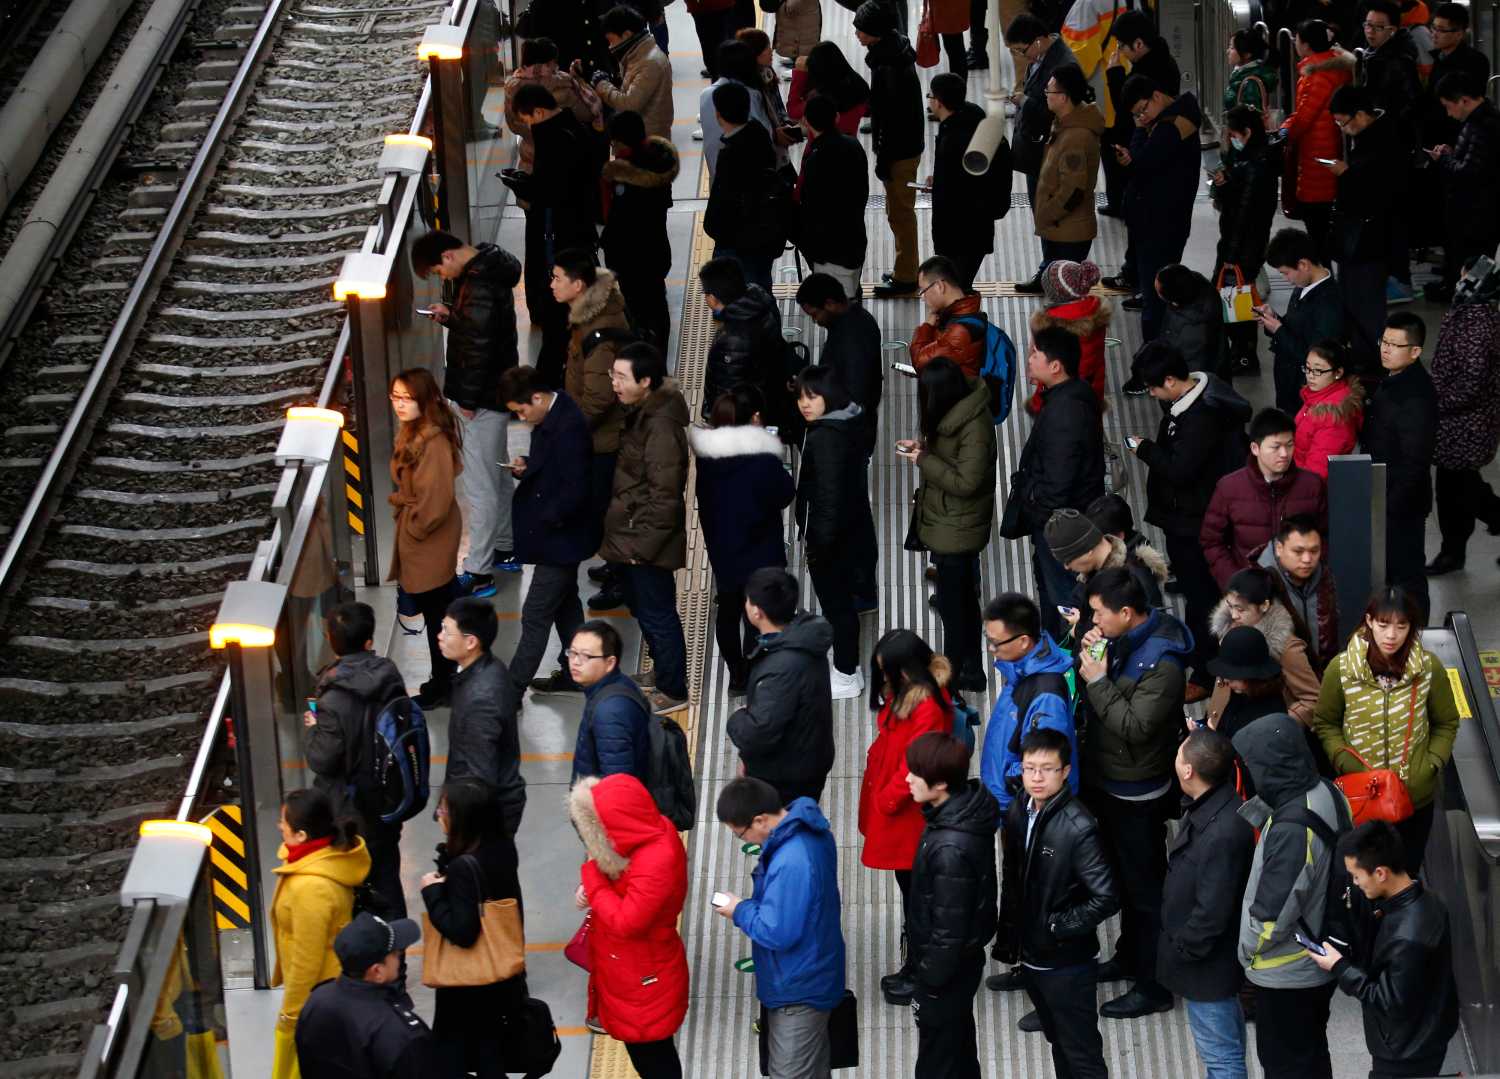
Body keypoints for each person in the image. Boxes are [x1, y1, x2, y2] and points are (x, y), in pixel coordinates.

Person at [1077, 567, 1193, 1018]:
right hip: (1109, 778)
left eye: (1098, 613)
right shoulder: (1121, 639)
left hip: (1137, 791)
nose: (1093, 621)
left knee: (1145, 890)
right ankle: (1129, 956)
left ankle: (1154, 984)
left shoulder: (1163, 662)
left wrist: (1098, 680)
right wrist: (1089, 654)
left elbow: (1135, 726)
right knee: (1124, 881)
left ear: (1126, 612)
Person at [1233, 713, 1355, 1079]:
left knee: (1286, 1064)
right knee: (1311, 1052)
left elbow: (1272, 917)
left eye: (1252, 765)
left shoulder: (1293, 832)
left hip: (1287, 972)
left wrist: (1246, 952)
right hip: (1320, 958)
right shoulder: (1327, 791)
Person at [996, 729, 1119, 1079]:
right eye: (1029, 768)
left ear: (1065, 772)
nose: (1037, 777)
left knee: (1081, 1053)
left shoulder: (1080, 827)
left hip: (1066, 963)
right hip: (1031, 954)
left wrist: (1058, 926)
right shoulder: (1021, 808)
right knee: (1058, 1042)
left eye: (1047, 769)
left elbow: (1106, 896)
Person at [1312, 587, 1461, 873]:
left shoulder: (1428, 669)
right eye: (1383, 625)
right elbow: (1326, 723)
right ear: (1369, 621)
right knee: (1362, 877)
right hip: (1362, 795)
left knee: (1405, 873)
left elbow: (1446, 721)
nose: (1391, 635)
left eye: (1401, 626)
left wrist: (1431, 764)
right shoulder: (1342, 669)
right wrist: (1344, 762)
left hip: (1414, 797)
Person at [1129, 340, 1251, 679]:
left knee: (1202, 595)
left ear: (1170, 380)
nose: (1151, 394)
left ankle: (1204, 670)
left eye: (1153, 387)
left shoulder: (1200, 418)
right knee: (1197, 587)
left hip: (1194, 518)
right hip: (1189, 515)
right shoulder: (1200, 392)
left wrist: (1145, 449)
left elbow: (1181, 470)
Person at [409, 234, 522, 596]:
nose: (442, 276)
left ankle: (479, 571)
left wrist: (468, 401)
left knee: (480, 486)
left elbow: (478, 350)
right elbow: (480, 330)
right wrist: (452, 318)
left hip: (482, 399)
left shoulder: (478, 285)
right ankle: (505, 547)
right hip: (496, 392)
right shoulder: (489, 268)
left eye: (438, 270)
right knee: (498, 475)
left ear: (447, 255)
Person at [714, 778, 847, 1078]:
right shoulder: (809, 833)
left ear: (760, 820)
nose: (743, 840)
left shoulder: (792, 860)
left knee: (790, 1073)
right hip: (810, 970)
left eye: (740, 834)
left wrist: (739, 909)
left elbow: (776, 931)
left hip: (799, 986)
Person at [1310, 822, 1460, 1078]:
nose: (1355, 883)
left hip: (1403, 1050)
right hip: (1426, 1035)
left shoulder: (1407, 936)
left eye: (1357, 876)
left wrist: (1339, 966)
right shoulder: (1430, 903)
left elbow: (1386, 1000)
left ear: (1380, 873)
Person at [858, 632, 957, 1004]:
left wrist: (886, 799)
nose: (884, 677)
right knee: (914, 891)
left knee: (920, 896)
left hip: (908, 815)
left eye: (888, 670)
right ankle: (917, 962)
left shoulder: (926, 706)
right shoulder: (914, 695)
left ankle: (920, 971)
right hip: (901, 808)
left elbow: (916, 763)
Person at [570, 773, 689, 1079]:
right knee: (652, 1054)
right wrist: (597, 879)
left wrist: (594, 882)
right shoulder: (651, 833)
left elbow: (627, 922)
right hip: (635, 970)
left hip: (642, 977)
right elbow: (622, 870)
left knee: (653, 1058)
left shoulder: (656, 860)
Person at [1159, 729, 1256, 1079]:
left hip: (1207, 968)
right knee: (1225, 1051)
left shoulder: (1222, 831)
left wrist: (1182, 950)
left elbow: (1212, 911)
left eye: (1180, 754)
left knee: (1222, 1059)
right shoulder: (1215, 807)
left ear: (1188, 771)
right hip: (1209, 964)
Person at [601, 343, 691, 715]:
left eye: (622, 377)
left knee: (658, 613)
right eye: (613, 375)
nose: (614, 384)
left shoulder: (661, 427)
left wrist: (644, 548)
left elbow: (665, 495)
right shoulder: (641, 413)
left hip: (645, 541)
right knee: (646, 609)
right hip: (632, 536)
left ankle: (673, 688)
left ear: (646, 382)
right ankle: (662, 672)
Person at [303, 602, 409, 918]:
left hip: (349, 808)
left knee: (351, 884)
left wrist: (313, 730)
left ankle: (365, 944)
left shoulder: (333, 696)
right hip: (387, 795)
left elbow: (323, 759)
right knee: (387, 876)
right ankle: (395, 945)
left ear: (332, 642)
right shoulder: (389, 675)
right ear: (369, 641)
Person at [904, 733, 999, 1077]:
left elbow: (949, 931)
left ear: (941, 784)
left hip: (946, 973)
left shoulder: (950, 848)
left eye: (916, 773)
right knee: (958, 1052)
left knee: (938, 1062)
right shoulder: (958, 818)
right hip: (959, 966)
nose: (908, 778)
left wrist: (928, 981)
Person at [899, 358, 997, 689]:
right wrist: (924, 449)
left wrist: (924, 459)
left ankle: (951, 680)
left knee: (954, 609)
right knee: (961, 602)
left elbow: (966, 482)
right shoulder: (961, 412)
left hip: (958, 528)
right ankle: (971, 671)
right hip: (950, 522)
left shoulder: (973, 426)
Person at [496, 365, 592, 702]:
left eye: (522, 411)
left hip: (560, 540)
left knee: (535, 615)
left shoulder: (568, 428)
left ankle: (510, 692)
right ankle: (577, 672)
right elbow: (553, 470)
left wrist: (545, 517)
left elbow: (575, 489)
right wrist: (528, 465)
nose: (522, 419)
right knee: (566, 606)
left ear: (537, 398)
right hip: (558, 538)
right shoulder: (552, 417)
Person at [418, 779, 526, 1077]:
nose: (439, 815)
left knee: (457, 1060)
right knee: (492, 1055)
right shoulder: (502, 848)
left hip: (467, 986)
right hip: (500, 973)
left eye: (444, 810)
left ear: (463, 818)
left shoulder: (464, 867)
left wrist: (432, 892)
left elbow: (462, 932)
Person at [1002, 327, 1105, 640]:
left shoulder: (1065, 413)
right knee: (1054, 592)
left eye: (1035, 354)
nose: (1029, 359)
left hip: (1058, 526)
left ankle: (1064, 655)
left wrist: (1032, 501)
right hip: (1065, 518)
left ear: (1056, 365)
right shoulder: (1073, 396)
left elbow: (1058, 483)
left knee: (1062, 598)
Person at [691, 388, 796, 690]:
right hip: (761, 550)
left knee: (728, 611)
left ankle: (736, 674)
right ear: (755, 418)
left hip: (723, 549)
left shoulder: (707, 455)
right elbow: (784, 493)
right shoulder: (761, 457)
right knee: (759, 613)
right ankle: (754, 669)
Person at [506, 83, 600, 387]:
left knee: (557, 316)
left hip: (557, 235)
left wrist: (523, 186)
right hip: (578, 229)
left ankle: (548, 377)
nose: (529, 126)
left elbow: (551, 192)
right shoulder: (575, 127)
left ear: (538, 112)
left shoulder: (552, 138)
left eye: (528, 119)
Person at [794, 366, 877, 696]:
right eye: (801, 396)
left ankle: (845, 674)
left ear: (829, 396)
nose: (804, 403)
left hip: (834, 541)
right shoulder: (848, 422)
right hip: (853, 532)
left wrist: (819, 545)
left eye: (812, 396)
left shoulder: (825, 438)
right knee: (844, 606)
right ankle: (847, 666)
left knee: (838, 608)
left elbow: (828, 498)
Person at [271, 789, 372, 1058]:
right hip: (325, 993)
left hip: (315, 999)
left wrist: (291, 1014)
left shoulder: (310, 888)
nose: (279, 826)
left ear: (302, 835)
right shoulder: (317, 860)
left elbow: (308, 957)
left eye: (284, 822)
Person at [385, 368, 462, 708]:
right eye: (395, 397)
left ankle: (443, 683)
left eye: (407, 398)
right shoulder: (416, 432)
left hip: (430, 537)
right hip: (423, 534)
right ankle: (443, 679)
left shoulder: (432, 442)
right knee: (437, 610)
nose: (399, 404)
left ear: (424, 399)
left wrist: (415, 528)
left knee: (437, 611)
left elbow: (436, 501)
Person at [726, 568, 837, 803]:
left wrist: (737, 719)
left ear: (756, 612)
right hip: (806, 759)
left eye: (748, 600)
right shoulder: (802, 637)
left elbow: (758, 732)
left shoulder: (781, 669)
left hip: (786, 778)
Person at [1116, 74, 1203, 347]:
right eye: (1137, 115)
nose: (1141, 117)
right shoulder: (1172, 117)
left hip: (1159, 224)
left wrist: (1138, 134)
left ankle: (1153, 355)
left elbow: (1142, 163)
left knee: (1155, 297)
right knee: (1157, 291)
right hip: (1161, 220)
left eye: (1143, 110)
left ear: (1156, 96)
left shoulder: (1170, 128)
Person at [295, 913, 438, 1078]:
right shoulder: (401, 1033)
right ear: (377, 971)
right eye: (396, 954)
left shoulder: (317, 1001)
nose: (399, 959)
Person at [1201, 406, 1328, 590]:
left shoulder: (1312, 485)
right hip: (1250, 592)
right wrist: (1235, 582)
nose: (1284, 454)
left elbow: (1327, 536)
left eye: (1289, 445)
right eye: (1276, 447)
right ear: (1255, 448)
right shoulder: (1229, 488)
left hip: (1303, 590)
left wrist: (1315, 578)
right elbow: (1211, 541)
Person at [1364, 312, 1440, 615]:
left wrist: (1389, 506)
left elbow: (1415, 462)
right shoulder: (1395, 378)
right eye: (1384, 341)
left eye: (1395, 345)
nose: (1385, 349)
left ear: (1415, 351)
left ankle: (1418, 634)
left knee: (1407, 576)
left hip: (1401, 504)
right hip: (1386, 496)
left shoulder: (1416, 397)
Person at [978, 593, 1078, 821]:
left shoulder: (1046, 698)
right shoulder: (1021, 671)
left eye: (996, 642)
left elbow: (1044, 766)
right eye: (988, 639)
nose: (991, 648)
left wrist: (1007, 785)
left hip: (1020, 810)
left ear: (1023, 641)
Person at [1428, 260, 1500, 574]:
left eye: (1464, 274)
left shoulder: (1477, 323)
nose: (1459, 279)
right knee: (1460, 487)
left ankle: (1452, 553)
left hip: (1465, 425)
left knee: (1456, 491)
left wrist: (1436, 402)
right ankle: (1453, 551)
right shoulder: (1469, 311)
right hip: (1461, 424)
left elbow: (1470, 383)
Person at [1325, 86, 1403, 375]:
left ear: (1360, 115)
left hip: (1369, 239)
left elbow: (1379, 193)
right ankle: (1362, 358)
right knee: (1354, 301)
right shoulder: (1367, 137)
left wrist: (1346, 175)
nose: (1342, 128)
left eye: (1343, 122)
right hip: (1359, 237)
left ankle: (1373, 365)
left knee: (1366, 305)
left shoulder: (1384, 141)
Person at [437, 598, 526, 836]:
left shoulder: (481, 699)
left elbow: (478, 775)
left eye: (447, 631)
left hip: (483, 819)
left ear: (471, 642)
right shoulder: (486, 668)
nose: (440, 636)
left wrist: (453, 816)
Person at [855, 0, 925, 297]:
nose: (857, 34)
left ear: (876, 32)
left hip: (900, 150)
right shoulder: (893, 53)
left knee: (900, 213)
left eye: (861, 29)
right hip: (905, 145)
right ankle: (903, 268)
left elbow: (892, 119)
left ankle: (906, 275)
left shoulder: (888, 66)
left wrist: (883, 158)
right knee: (899, 211)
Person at [1212, 103, 1282, 375]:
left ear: (1247, 132)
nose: (1231, 139)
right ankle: (1242, 352)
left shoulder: (1255, 166)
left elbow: (1244, 212)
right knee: (1236, 298)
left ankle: (1244, 355)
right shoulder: (1251, 160)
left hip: (1241, 245)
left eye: (1233, 135)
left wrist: (1231, 254)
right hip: (1243, 242)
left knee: (1236, 301)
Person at [600, 110, 678, 352]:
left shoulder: (623, 178)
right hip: (656, 251)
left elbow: (616, 222)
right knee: (657, 307)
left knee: (637, 314)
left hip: (631, 259)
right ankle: (658, 356)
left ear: (621, 142)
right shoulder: (659, 163)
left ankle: (645, 359)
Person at [1208, 566, 1323, 726]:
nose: (1233, 615)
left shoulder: (1284, 647)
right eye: (1230, 606)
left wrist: (1273, 727)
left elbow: (1313, 701)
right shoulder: (1230, 629)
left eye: (1241, 609)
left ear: (1264, 605)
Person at [1278, 20, 1353, 261]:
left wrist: (1286, 133)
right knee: (1322, 218)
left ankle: (1323, 273)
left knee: (1317, 220)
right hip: (1331, 145)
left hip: (1317, 150)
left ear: (1306, 44)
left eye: (1297, 39)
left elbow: (1305, 116)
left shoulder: (1317, 74)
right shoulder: (1336, 65)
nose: (1295, 43)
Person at [1025, 64, 1104, 291]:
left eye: (1049, 90)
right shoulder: (1064, 123)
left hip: (1068, 233)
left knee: (1063, 295)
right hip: (1059, 228)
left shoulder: (1076, 137)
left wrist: (1048, 213)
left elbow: (1073, 191)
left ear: (1064, 97)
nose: (1046, 95)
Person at [1046, 507, 1168, 646]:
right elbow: (1074, 604)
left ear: (1088, 550)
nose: (1066, 567)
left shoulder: (1134, 580)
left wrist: (1080, 627)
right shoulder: (1092, 573)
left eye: (1068, 560)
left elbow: (1141, 640)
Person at [1258, 228, 1346, 415]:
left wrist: (1279, 330)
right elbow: (1296, 327)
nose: (1286, 279)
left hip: (1304, 394)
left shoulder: (1329, 303)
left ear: (1303, 264)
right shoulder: (1304, 284)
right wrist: (1275, 319)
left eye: (1285, 273)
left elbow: (1317, 357)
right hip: (1290, 384)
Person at [703, 81, 781, 291]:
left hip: (738, 241)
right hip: (764, 234)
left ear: (718, 114)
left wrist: (712, 227)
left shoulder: (731, 153)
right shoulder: (759, 134)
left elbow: (723, 200)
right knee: (761, 289)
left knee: (739, 294)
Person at [796, 273, 883, 456]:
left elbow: (855, 391)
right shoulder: (853, 320)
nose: (815, 321)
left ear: (830, 304)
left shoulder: (853, 337)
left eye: (815, 314)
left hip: (847, 434)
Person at [794, 93, 869, 300]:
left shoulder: (816, 158)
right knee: (851, 294)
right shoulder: (853, 145)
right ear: (836, 117)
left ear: (806, 121)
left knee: (835, 303)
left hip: (828, 250)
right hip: (854, 238)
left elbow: (811, 208)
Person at [1005, 14, 1077, 221]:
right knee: (1040, 211)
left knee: (1050, 216)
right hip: (1037, 152)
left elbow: (1058, 114)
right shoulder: (1040, 56)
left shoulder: (1063, 66)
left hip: (1051, 155)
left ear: (1037, 41)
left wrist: (1024, 102)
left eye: (1022, 50)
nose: (1022, 56)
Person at [927, 72, 994, 290]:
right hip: (978, 225)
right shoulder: (973, 118)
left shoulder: (954, 138)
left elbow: (957, 189)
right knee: (962, 283)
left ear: (938, 102)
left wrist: (940, 185)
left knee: (956, 289)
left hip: (959, 231)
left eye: (930, 96)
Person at [699, 256, 786, 424]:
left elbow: (726, 390)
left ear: (713, 297)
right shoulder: (760, 301)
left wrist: (714, 416)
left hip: (743, 417)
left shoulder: (731, 341)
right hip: (770, 397)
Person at [503, 37, 604, 176]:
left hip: (529, 156)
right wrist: (579, 80)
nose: (556, 66)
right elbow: (588, 114)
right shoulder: (564, 85)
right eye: (554, 63)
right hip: (561, 159)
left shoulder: (512, 86)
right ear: (546, 64)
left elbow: (513, 126)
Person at [569, 620, 652, 782]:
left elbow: (618, 784)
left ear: (610, 663)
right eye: (572, 653)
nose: (575, 661)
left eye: (586, 656)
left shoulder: (610, 712)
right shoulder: (620, 685)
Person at [1025, 260, 1109, 414]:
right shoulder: (1095, 309)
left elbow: (1044, 365)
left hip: (1059, 392)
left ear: (1054, 293)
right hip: (1092, 384)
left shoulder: (1050, 324)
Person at [1258, 514, 1341, 668]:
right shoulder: (1258, 583)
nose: (1307, 559)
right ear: (1279, 548)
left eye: (1314, 551)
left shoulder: (1324, 578)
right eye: (1298, 551)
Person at [588, 5, 674, 139]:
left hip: (646, 141)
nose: (610, 47)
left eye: (611, 40)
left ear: (626, 35)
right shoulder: (635, 55)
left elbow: (629, 105)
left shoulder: (649, 63)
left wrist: (602, 85)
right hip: (640, 135)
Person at [700, 40, 774, 180]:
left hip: (717, 172)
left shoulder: (705, 94)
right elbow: (765, 134)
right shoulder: (749, 94)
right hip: (748, 175)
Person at [1293, 340, 1364, 479]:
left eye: (1318, 370)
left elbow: (1317, 472)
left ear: (1338, 372)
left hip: (1307, 485)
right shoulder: (1316, 395)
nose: (1310, 375)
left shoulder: (1333, 416)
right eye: (1307, 368)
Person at [908, 255, 986, 377]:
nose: (922, 298)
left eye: (923, 291)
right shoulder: (954, 314)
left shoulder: (960, 332)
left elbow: (920, 362)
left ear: (939, 286)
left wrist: (926, 326)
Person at [786, 39, 870, 136]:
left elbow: (793, 112)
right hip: (849, 141)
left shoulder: (820, 100)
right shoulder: (859, 85)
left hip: (822, 143)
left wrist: (799, 73)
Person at [687, 0, 738, 80]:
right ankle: (720, 72)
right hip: (720, 5)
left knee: (710, 46)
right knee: (723, 40)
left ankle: (717, 73)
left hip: (703, 6)